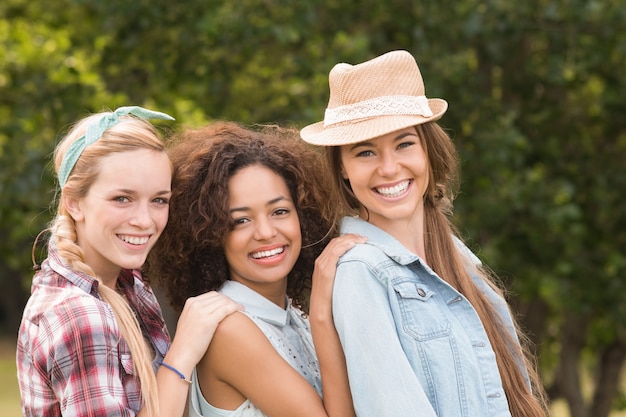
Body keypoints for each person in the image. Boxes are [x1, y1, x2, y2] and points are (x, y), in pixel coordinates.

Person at [300, 50, 549, 417]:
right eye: (365, 152)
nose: (389, 168)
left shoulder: (456, 256)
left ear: (429, 152)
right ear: (343, 170)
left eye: (404, 144)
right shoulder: (360, 272)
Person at [16, 106, 242, 417]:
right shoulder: (79, 314)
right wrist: (182, 353)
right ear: (73, 203)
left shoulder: (128, 283)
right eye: (122, 198)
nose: (144, 221)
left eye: (159, 200)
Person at [149, 121, 365, 417]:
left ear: (302, 216)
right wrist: (323, 307)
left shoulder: (292, 316)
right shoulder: (230, 329)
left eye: (279, 212)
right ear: (211, 235)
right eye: (240, 220)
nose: (265, 232)